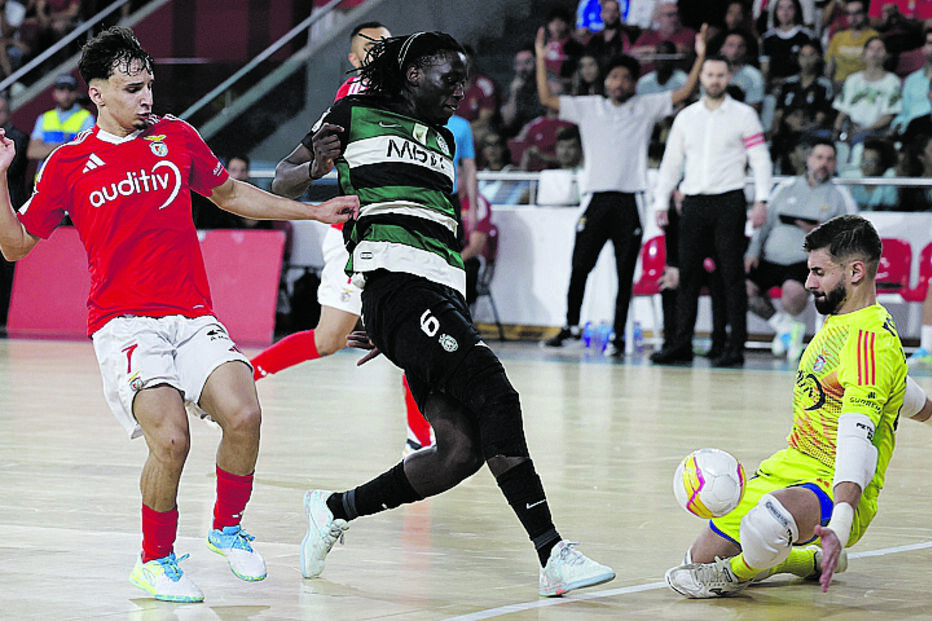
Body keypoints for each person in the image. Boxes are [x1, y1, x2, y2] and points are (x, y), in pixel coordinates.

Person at [0, 26, 357, 603]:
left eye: (149, 85)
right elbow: (15, 245)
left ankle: (227, 529)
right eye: (132, 87)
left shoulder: (177, 136)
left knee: (244, 413)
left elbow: (233, 195)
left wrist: (313, 211)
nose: (146, 97)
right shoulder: (69, 164)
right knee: (170, 439)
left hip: (191, 313)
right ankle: (154, 560)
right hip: (124, 322)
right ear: (97, 93)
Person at [297, 30, 614, 597]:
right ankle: (552, 552)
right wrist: (315, 165)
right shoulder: (355, 111)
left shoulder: (443, 138)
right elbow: (283, 178)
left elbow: (438, 221)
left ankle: (332, 508)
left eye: (465, 81)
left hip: (438, 294)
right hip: (397, 287)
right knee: (496, 394)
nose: (461, 91)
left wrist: (409, 329)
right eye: (450, 78)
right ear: (415, 73)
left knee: (459, 452)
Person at [665, 214, 916, 599]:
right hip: (792, 465)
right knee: (695, 560)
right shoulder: (840, 321)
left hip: (836, 485)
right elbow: (902, 391)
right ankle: (804, 560)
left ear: (855, 272)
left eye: (818, 272)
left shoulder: (869, 339)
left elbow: (856, 437)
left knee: (768, 524)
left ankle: (732, 574)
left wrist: (843, 520)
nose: (808, 282)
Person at [539, 24, 707, 356]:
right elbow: (546, 98)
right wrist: (542, 59)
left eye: (626, 78)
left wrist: (700, 56)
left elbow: (685, 91)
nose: (620, 83)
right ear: (605, 81)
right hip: (596, 199)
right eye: (614, 77)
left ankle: (618, 336)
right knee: (579, 266)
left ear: (634, 82)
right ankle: (571, 326)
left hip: (630, 201)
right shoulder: (588, 107)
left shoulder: (645, 107)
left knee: (624, 272)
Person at [650, 53, 773, 368]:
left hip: (729, 201)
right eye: (710, 75)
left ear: (729, 77)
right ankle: (681, 345)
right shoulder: (687, 117)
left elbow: (760, 159)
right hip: (693, 203)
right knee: (687, 276)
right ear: (701, 77)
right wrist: (662, 201)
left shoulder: (744, 115)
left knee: (731, 277)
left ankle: (734, 348)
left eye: (720, 75)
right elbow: (671, 163)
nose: (715, 80)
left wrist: (761, 199)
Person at [745, 139, 857, 363]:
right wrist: (752, 251)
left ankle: (788, 330)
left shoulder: (840, 195)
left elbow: (854, 233)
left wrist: (822, 232)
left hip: (803, 262)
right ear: (809, 160)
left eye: (829, 159)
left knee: (794, 293)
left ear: (835, 164)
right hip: (770, 258)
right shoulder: (785, 188)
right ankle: (784, 327)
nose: (823, 164)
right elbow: (764, 222)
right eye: (819, 158)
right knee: (740, 288)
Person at [832, 36, 901, 165]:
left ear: (886, 55)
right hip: (850, 129)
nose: (875, 52)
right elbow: (842, 111)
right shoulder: (853, 79)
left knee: (859, 140)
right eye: (871, 49)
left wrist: (865, 130)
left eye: (880, 49)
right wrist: (837, 130)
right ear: (864, 53)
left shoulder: (892, 81)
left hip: (876, 132)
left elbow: (889, 115)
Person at [26, 73, 95, 166]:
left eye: (70, 89)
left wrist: (47, 148)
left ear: (77, 93)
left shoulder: (86, 118)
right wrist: (65, 146)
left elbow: (85, 151)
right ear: (54, 93)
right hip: (46, 179)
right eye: (62, 89)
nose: (66, 94)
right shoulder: (44, 118)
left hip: (71, 176)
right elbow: (32, 152)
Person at [0, 92, 26, 329]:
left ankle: (3, 317)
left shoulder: (17, 138)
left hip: (11, 210)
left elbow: (13, 169)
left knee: (7, 266)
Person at [760, 0, 818, 92]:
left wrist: (787, 81)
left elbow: (812, 67)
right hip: (774, 88)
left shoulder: (806, 36)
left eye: (790, 8)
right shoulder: (768, 38)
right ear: (776, 11)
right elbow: (765, 70)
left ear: (796, 10)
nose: (785, 12)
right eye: (781, 8)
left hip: (801, 87)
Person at [630, 2, 697, 75]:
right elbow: (633, 52)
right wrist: (660, 50)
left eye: (677, 14)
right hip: (646, 80)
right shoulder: (647, 36)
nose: (675, 19)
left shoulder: (689, 33)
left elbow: (680, 50)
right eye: (669, 15)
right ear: (658, 18)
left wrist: (648, 52)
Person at [825, 0, 879, 88]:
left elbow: (877, 68)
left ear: (865, 14)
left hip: (864, 86)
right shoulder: (838, 37)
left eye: (857, 13)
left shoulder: (874, 37)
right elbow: (829, 67)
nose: (852, 18)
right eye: (849, 14)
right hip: (839, 86)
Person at [334, 21, 392, 100]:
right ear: (354, 60)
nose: (382, 52)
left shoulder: (407, 86)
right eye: (373, 49)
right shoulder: (350, 94)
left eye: (387, 46)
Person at [500, 44, 545, 137]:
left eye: (527, 63)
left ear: (537, 63)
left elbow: (551, 116)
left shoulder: (547, 83)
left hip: (542, 131)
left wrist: (532, 126)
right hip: (518, 133)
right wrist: (514, 93)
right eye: (518, 64)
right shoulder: (513, 86)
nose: (522, 68)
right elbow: (507, 121)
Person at [893, 28, 932, 135]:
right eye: (930, 43)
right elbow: (903, 113)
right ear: (923, 49)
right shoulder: (911, 80)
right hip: (911, 133)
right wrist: (896, 126)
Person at [842, 137, 898, 210]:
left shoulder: (888, 186)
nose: (865, 165)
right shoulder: (852, 184)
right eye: (863, 160)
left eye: (871, 161)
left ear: (882, 164)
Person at [718, 30, 765, 112]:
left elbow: (753, 109)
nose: (735, 50)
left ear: (745, 50)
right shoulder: (712, 72)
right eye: (731, 45)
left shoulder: (754, 75)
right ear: (722, 48)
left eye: (740, 46)